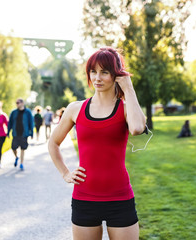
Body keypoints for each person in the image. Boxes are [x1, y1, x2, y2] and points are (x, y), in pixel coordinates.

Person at [48, 47, 146, 240]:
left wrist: (129, 88)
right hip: (84, 198)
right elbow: (53, 143)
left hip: (120, 198)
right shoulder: (75, 109)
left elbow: (136, 128)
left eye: (105, 72)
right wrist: (65, 173)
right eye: (93, 71)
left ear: (116, 75)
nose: (97, 78)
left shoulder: (126, 109)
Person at [7, 98, 34, 171]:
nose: (17, 104)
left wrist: (32, 133)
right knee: (13, 148)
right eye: (16, 103)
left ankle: (21, 163)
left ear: (22, 103)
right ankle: (16, 157)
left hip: (24, 134)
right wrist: (8, 132)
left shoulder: (28, 112)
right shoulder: (14, 112)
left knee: (23, 148)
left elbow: (31, 122)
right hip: (15, 133)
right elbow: (10, 123)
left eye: (18, 102)